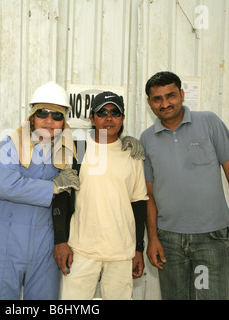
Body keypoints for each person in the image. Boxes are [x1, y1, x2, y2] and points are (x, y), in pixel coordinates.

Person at [140, 71, 229, 300]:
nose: (165, 103)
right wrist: (152, 238)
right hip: (169, 242)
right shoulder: (147, 139)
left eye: (170, 95)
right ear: (149, 103)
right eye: (157, 99)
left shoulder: (209, 122)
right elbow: (150, 195)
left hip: (210, 239)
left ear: (182, 95)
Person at [0, 81, 80, 300]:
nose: (49, 120)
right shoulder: (11, 145)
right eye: (43, 113)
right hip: (6, 241)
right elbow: (5, 186)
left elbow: (102, 154)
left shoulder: (68, 150)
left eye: (57, 115)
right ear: (32, 116)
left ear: (64, 121)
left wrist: (123, 142)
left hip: (45, 244)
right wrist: (53, 187)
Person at [59, 91, 149, 300]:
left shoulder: (132, 154)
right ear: (92, 118)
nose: (109, 118)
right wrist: (60, 241)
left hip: (121, 253)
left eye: (115, 112)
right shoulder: (76, 149)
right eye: (102, 112)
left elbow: (139, 204)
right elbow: (62, 198)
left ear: (123, 118)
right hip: (82, 251)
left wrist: (138, 249)